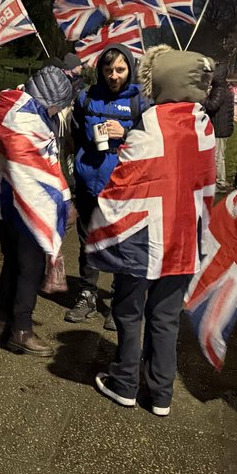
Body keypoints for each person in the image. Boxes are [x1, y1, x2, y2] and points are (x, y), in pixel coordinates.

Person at [85, 46, 216, 417]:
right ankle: (161, 394)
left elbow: (127, 177)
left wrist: (102, 218)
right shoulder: (202, 123)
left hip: (145, 236)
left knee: (128, 312)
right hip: (184, 237)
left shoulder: (154, 120)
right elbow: (208, 181)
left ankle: (124, 382)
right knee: (166, 318)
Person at [0, 65, 75, 356]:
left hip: (10, 201)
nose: (57, 113)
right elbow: (36, 167)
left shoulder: (13, 106)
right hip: (26, 206)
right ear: (50, 101)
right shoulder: (27, 119)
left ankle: (2, 319)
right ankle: (21, 330)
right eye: (57, 107)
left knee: (13, 264)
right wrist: (59, 200)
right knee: (29, 269)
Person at [65, 44, 146, 328]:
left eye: (120, 70)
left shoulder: (140, 102)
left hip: (124, 187)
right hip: (89, 183)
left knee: (122, 245)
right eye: (108, 69)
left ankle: (116, 302)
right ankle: (86, 294)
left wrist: (127, 133)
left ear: (130, 70)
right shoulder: (86, 98)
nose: (114, 75)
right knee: (88, 242)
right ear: (100, 70)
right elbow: (74, 136)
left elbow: (152, 143)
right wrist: (73, 177)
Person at [204, 61, 235, 190]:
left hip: (220, 129)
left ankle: (220, 182)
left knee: (217, 157)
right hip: (222, 127)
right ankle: (219, 181)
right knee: (218, 156)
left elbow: (212, 105)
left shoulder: (219, 89)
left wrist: (203, 97)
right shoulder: (223, 87)